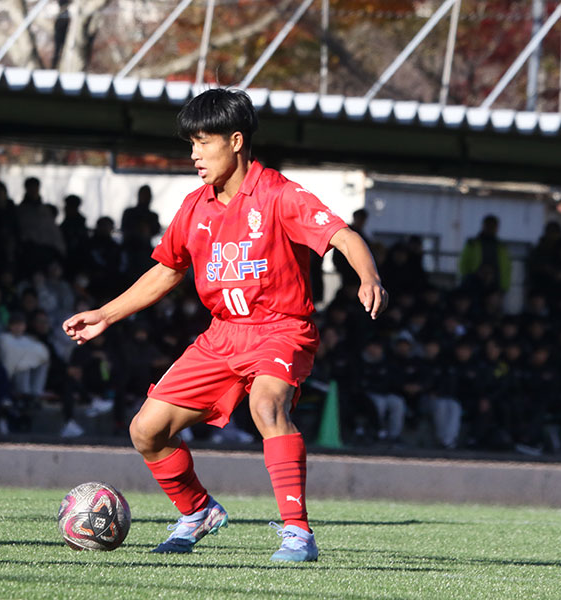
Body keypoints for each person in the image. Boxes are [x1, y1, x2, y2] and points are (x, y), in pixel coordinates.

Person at [62, 88, 387, 562]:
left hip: (280, 328)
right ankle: (197, 512)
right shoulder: (195, 207)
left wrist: (369, 275)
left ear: (236, 141)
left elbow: (342, 234)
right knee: (146, 431)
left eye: (203, 142)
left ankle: (298, 534)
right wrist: (105, 314)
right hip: (222, 335)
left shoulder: (280, 194)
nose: (194, 155)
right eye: (190, 144)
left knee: (267, 404)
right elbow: (167, 270)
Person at [458, 214, 512, 294]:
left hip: (495, 285)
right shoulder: (472, 243)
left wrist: (504, 287)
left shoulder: (501, 247)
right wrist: (467, 278)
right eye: (489, 225)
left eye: (493, 226)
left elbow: (507, 268)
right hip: (474, 284)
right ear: (484, 226)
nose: (491, 228)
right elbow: (463, 263)